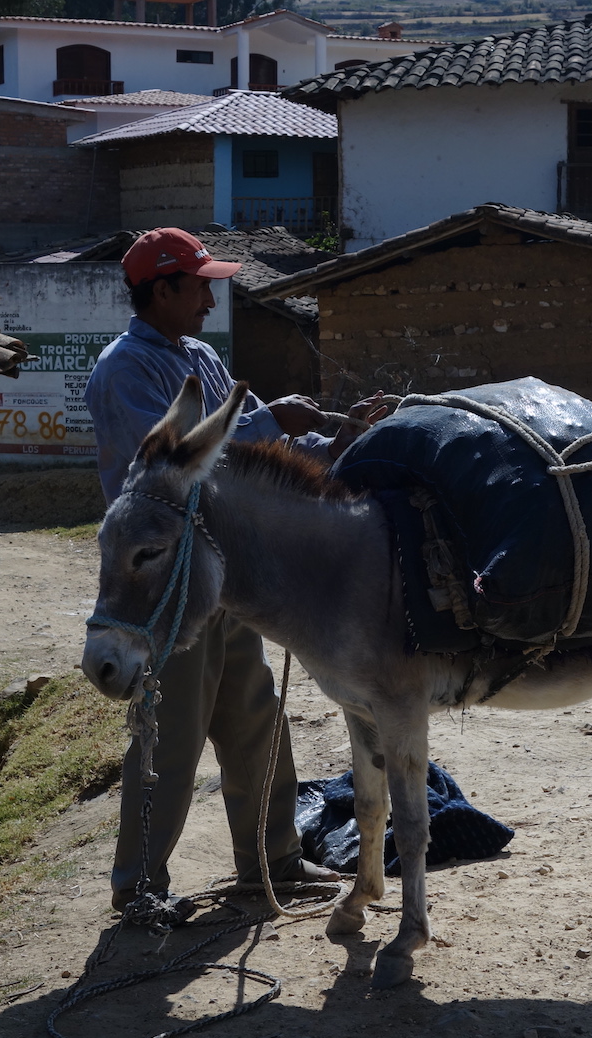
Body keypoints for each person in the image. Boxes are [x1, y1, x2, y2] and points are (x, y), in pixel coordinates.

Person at [85, 227, 384, 912]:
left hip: (220, 574)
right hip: (165, 582)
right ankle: (139, 888)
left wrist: (335, 439)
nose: (211, 298)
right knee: (171, 733)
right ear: (162, 290)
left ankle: (271, 862)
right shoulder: (124, 371)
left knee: (254, 717)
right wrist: (268, 420)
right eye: (200, 285)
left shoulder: (199, 358)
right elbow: (169, 474)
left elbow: (261, 451)